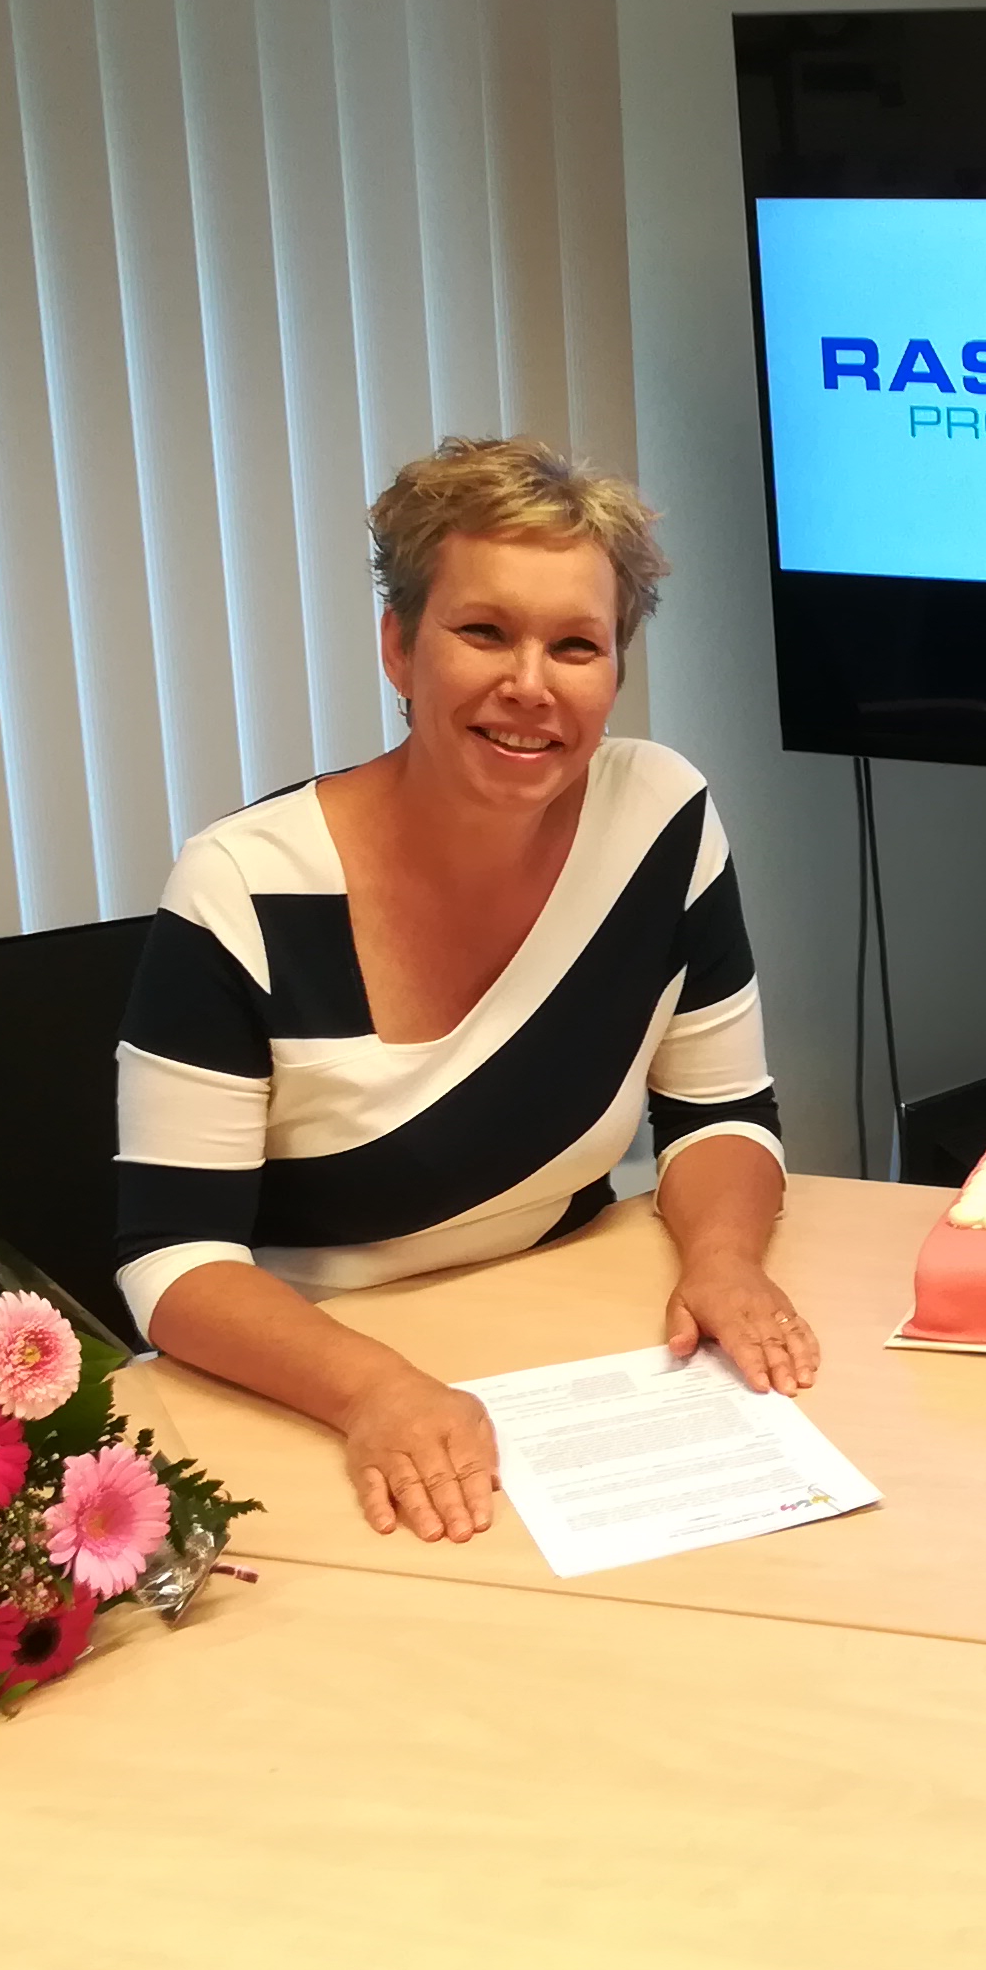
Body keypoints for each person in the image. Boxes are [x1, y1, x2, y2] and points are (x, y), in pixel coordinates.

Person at [115, 436, 815, 1545]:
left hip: (573, 1337)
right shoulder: (242, 884)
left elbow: (720, 1113)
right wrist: (376, 1391)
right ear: (399, 648)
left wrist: (725, 1263)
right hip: (320, 1382)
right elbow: (174, 1259)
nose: (529, 685)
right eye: (483, 632)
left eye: (575, 645)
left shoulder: (660, 817)